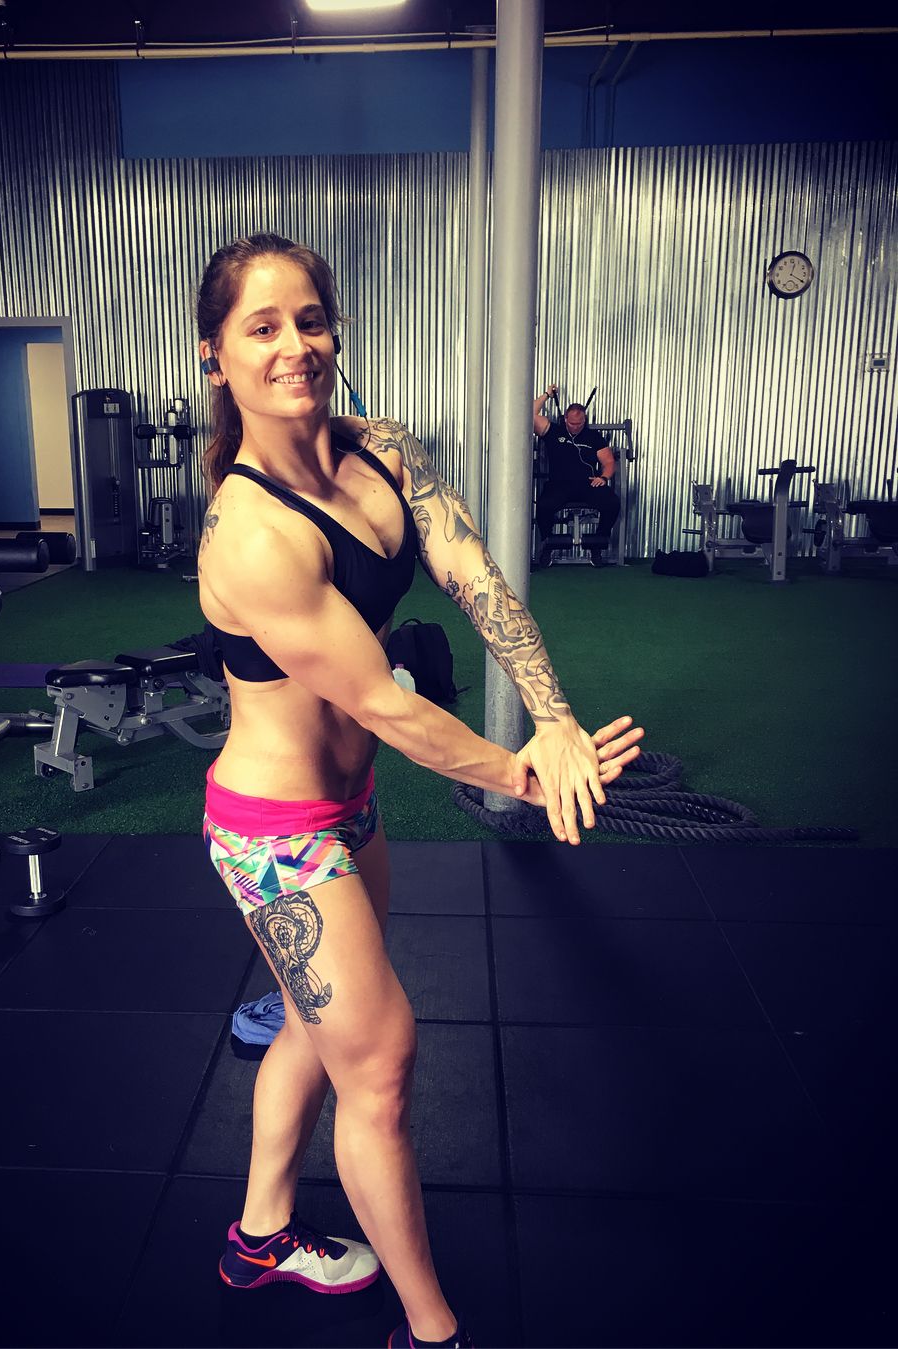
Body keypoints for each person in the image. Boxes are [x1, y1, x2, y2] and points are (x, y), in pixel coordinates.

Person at [195, 234, 644, 1349]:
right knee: (382, 1063)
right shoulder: (250, 534)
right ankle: (434, 1331)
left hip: (349, 811)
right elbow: (387, 706)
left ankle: (259, 1235)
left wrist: (552, 715)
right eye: (262, 327)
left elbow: (476, 576)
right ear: (216, 355)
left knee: (319, 1027)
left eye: (310, 319)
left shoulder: (383, 450)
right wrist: (523, 773)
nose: (295, 346)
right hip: (275, 833)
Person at [532, 385, 620, 566]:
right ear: (565, 419)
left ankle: (597, 546)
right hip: (559, 485)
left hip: (588, 484)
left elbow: (609, 462)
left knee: (612, 503)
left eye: (579, 424)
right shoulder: (553, 431)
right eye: (572, 423)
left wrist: (603, 478)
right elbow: (529, 414)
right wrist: (547, 395)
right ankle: (547, 546)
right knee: (543, 506)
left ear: (584, 420)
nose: (575, 427)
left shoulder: (593, 437)